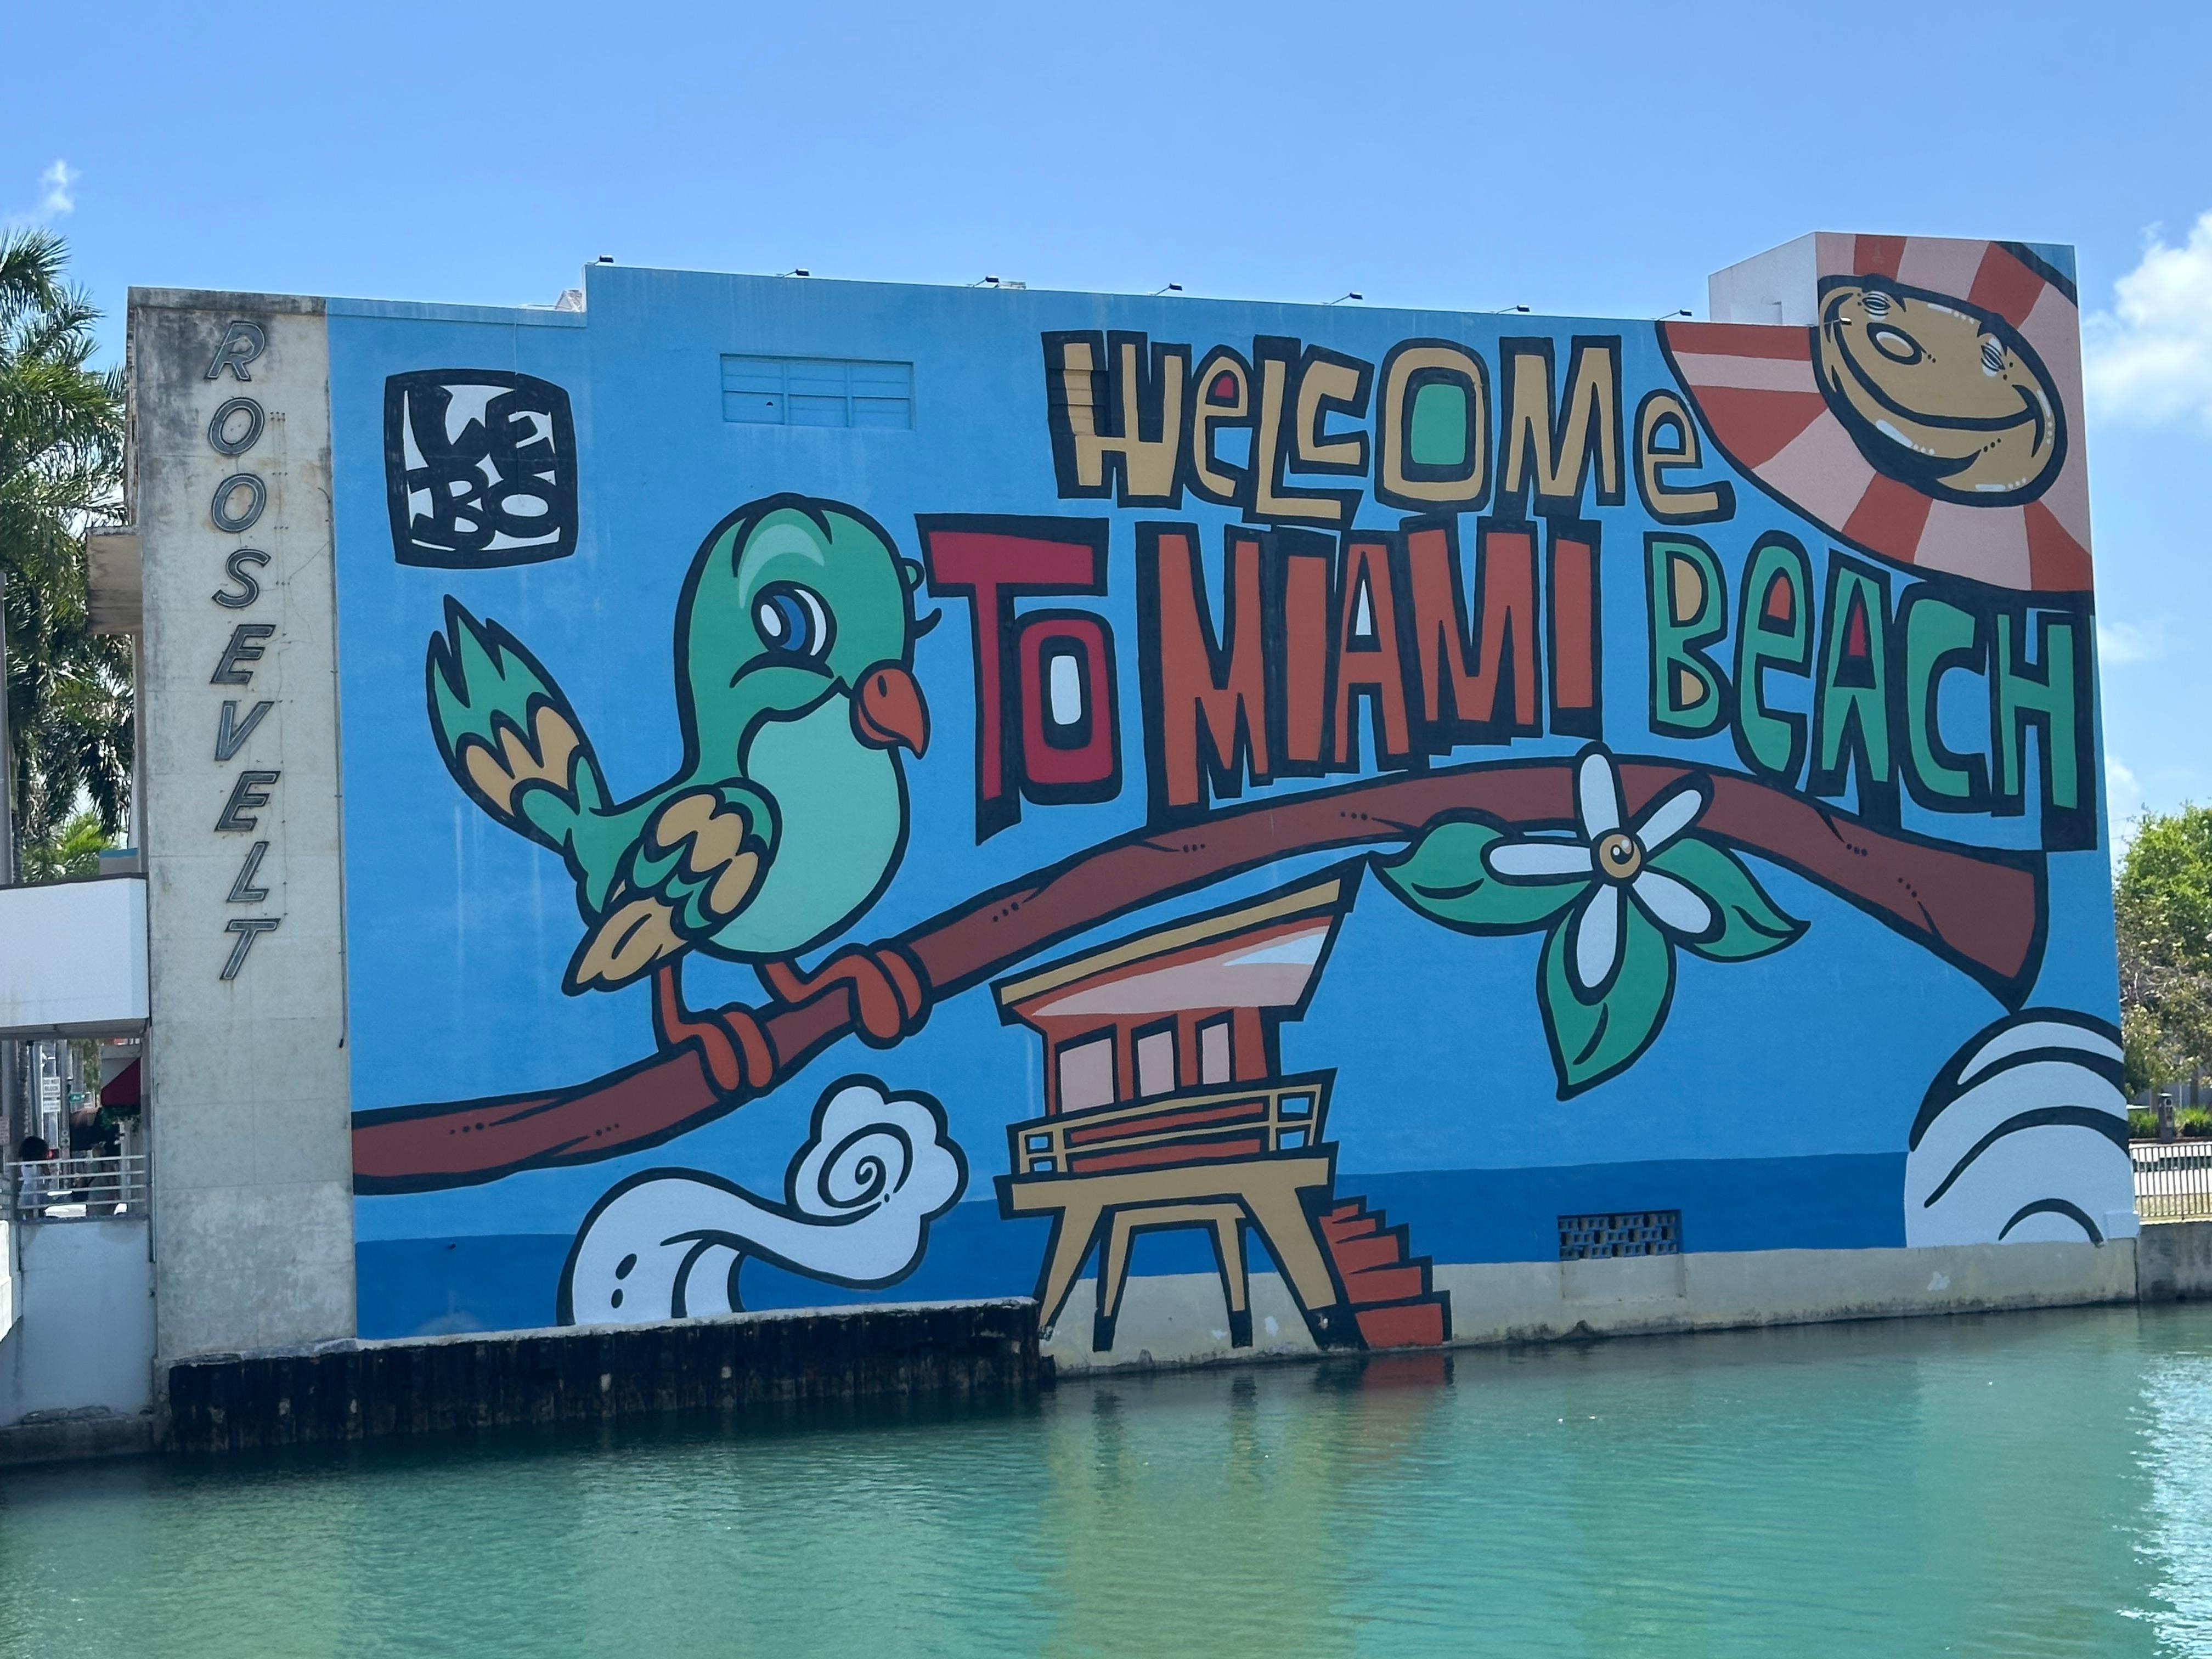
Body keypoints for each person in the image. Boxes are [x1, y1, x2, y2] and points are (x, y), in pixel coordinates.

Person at [14, 1135, 51, 1218]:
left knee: (28, 1212)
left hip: (27, 1188)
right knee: (40, 1210)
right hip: (38, 1187)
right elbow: (48, 1175)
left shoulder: (24, 1162)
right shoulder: (41, 1163)